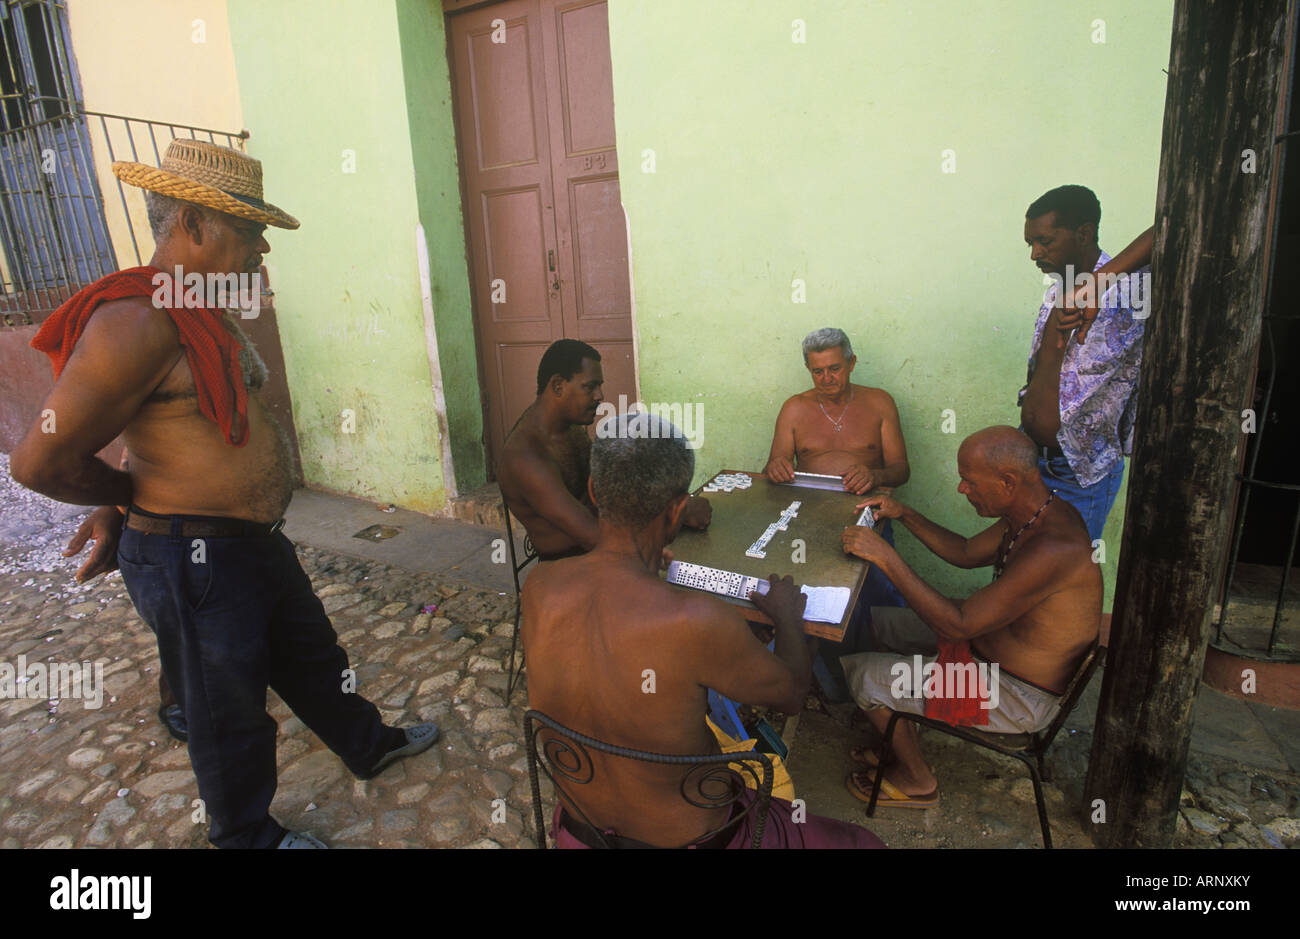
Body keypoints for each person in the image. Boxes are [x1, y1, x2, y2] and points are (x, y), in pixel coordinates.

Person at [9, 140, 437, 849]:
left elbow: (154, 427)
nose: (261, 253)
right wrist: (129, 497)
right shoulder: (136, 321)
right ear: (195, 225)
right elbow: (39, 459)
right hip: (192, 553)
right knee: (225, 707)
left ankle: (369, 743)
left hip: (246, 542)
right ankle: (244, 835)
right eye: (249, 233)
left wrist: (119, 500)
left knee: (311, 654)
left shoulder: (194, 308)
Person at [523, 411, 884, 848]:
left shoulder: (540, 587)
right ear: (678, 510)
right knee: (863, 842)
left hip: (580, 832)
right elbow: (790, 695)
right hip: (701, 838)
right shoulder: (696, 619)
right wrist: (789, 618)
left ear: (595, 492)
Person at [838, 426, 1101, 808]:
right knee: (881, 622)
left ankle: (917, 780)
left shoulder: (1054, 547)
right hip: (988, 650)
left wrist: (885, 556)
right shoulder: (1032, 515)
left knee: (864, 675)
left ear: (1007, 481)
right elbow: (964, 551)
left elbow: (957, 624)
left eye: (968, 481)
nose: (962, 490)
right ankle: (899, 732)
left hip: (1012, 693)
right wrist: (904, 514)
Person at [763, 327, 911, 699]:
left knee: (880, 599)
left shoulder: (879, 403)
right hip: (808, 519)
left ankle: (887, 680)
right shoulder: (794, 408)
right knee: (817, 598)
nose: (827, 379)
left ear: (851, 363)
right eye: (818, 371)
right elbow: (775, 464)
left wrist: (874, 475)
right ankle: (830, 677)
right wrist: (779, 467)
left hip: (868, 516)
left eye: (834, 369)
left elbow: (901, 470)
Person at [1019, 185, 1153, 541]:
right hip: (1030, 463)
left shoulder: (1131, 289)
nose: (1035, 254)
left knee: (1060, 578)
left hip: (1078, 470)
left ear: (1083, 233)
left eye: (1045, 241)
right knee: (1017, 563)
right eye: (1030, 244)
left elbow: (1170, 229)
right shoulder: (1057, 290)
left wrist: (1098, 282)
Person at [497, 339, 710, 560]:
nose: (600, 396)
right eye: (590, 386)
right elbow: (590, 534)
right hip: (570, 567)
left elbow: (611, 489)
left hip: (603, 546)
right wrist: (669, 520)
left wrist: (672, 507)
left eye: (599, 386)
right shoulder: (525, 457)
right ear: (558, 385)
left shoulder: (570, 427)